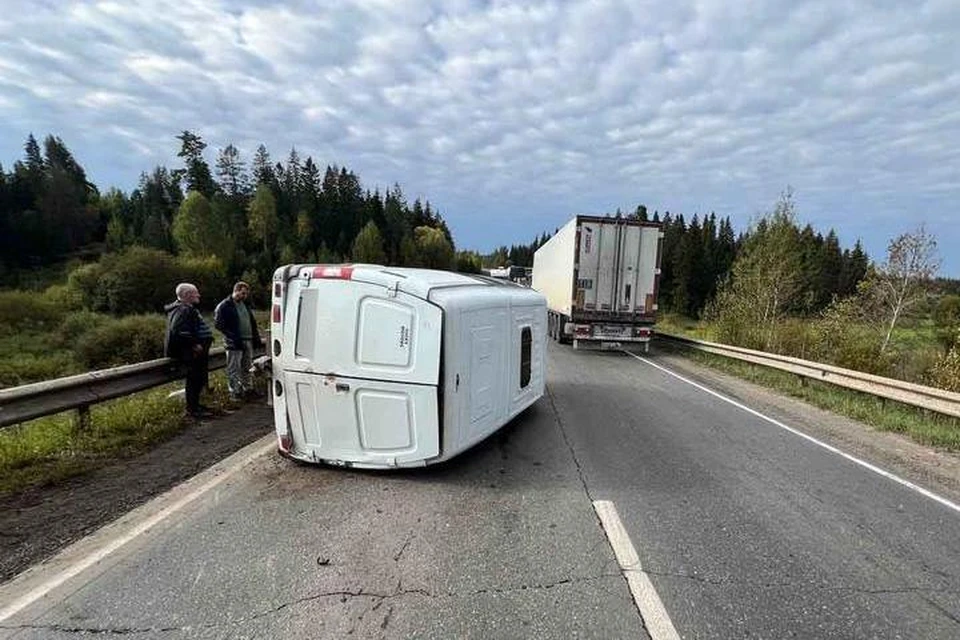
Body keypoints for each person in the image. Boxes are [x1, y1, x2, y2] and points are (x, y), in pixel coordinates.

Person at [164, 283, 214, 419]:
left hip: (195, 351)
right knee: (194, 380)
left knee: (197, 380)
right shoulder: (183, 310)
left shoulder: (186, 308)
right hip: (191, 353)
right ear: (186, 295)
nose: (199, 295)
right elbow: (179, 330)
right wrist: (194, 344)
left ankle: (196, 406)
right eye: (196, 293)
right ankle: (193, 409)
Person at [214, 281, 263, 400]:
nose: (244, 296)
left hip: (247, 339)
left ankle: (248, 389)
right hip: (234, 342)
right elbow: (219, 324)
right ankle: (234, 392)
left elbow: (251, 322)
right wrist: (231, 336)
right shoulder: (225, 305)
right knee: (234, 368)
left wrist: (256, 338)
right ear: (235, 291)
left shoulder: (245, 305)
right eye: (242, 293)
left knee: (247, 366)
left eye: (246, 294)